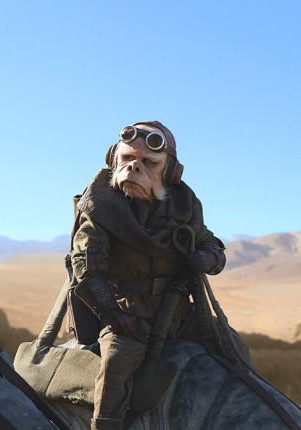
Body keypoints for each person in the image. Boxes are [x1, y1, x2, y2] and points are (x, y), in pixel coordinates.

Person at [70, 121, 226, 430]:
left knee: (232, 347)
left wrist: (207, 257)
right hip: (128, 314)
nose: (134, 167)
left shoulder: (184, 206)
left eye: (148, 162)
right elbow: (86, 271)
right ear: (114, 158)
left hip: (176, 312)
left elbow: (213, 245)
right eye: (128, 158)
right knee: (115, 373)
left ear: (170, 172)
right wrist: (115, 317)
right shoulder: (100, 207)